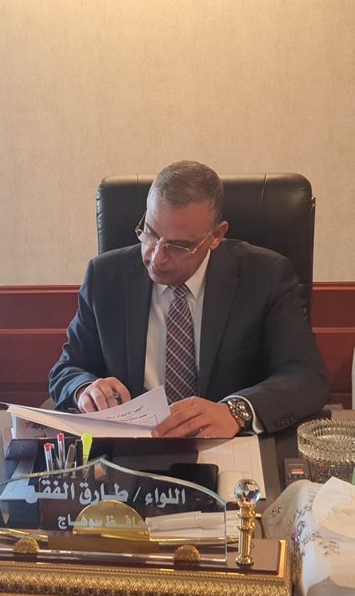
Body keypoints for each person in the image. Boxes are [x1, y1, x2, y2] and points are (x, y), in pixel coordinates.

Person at [48, 160, 329, 438]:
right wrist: (85, 389)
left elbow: (307, 376)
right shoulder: (105, 276)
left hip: (226, 443)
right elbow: (67, 369)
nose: (157, 257)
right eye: (150, 233)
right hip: (132, 446)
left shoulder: (265, 276)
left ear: (216, 236)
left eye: (179, 245)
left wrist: (236, 411)